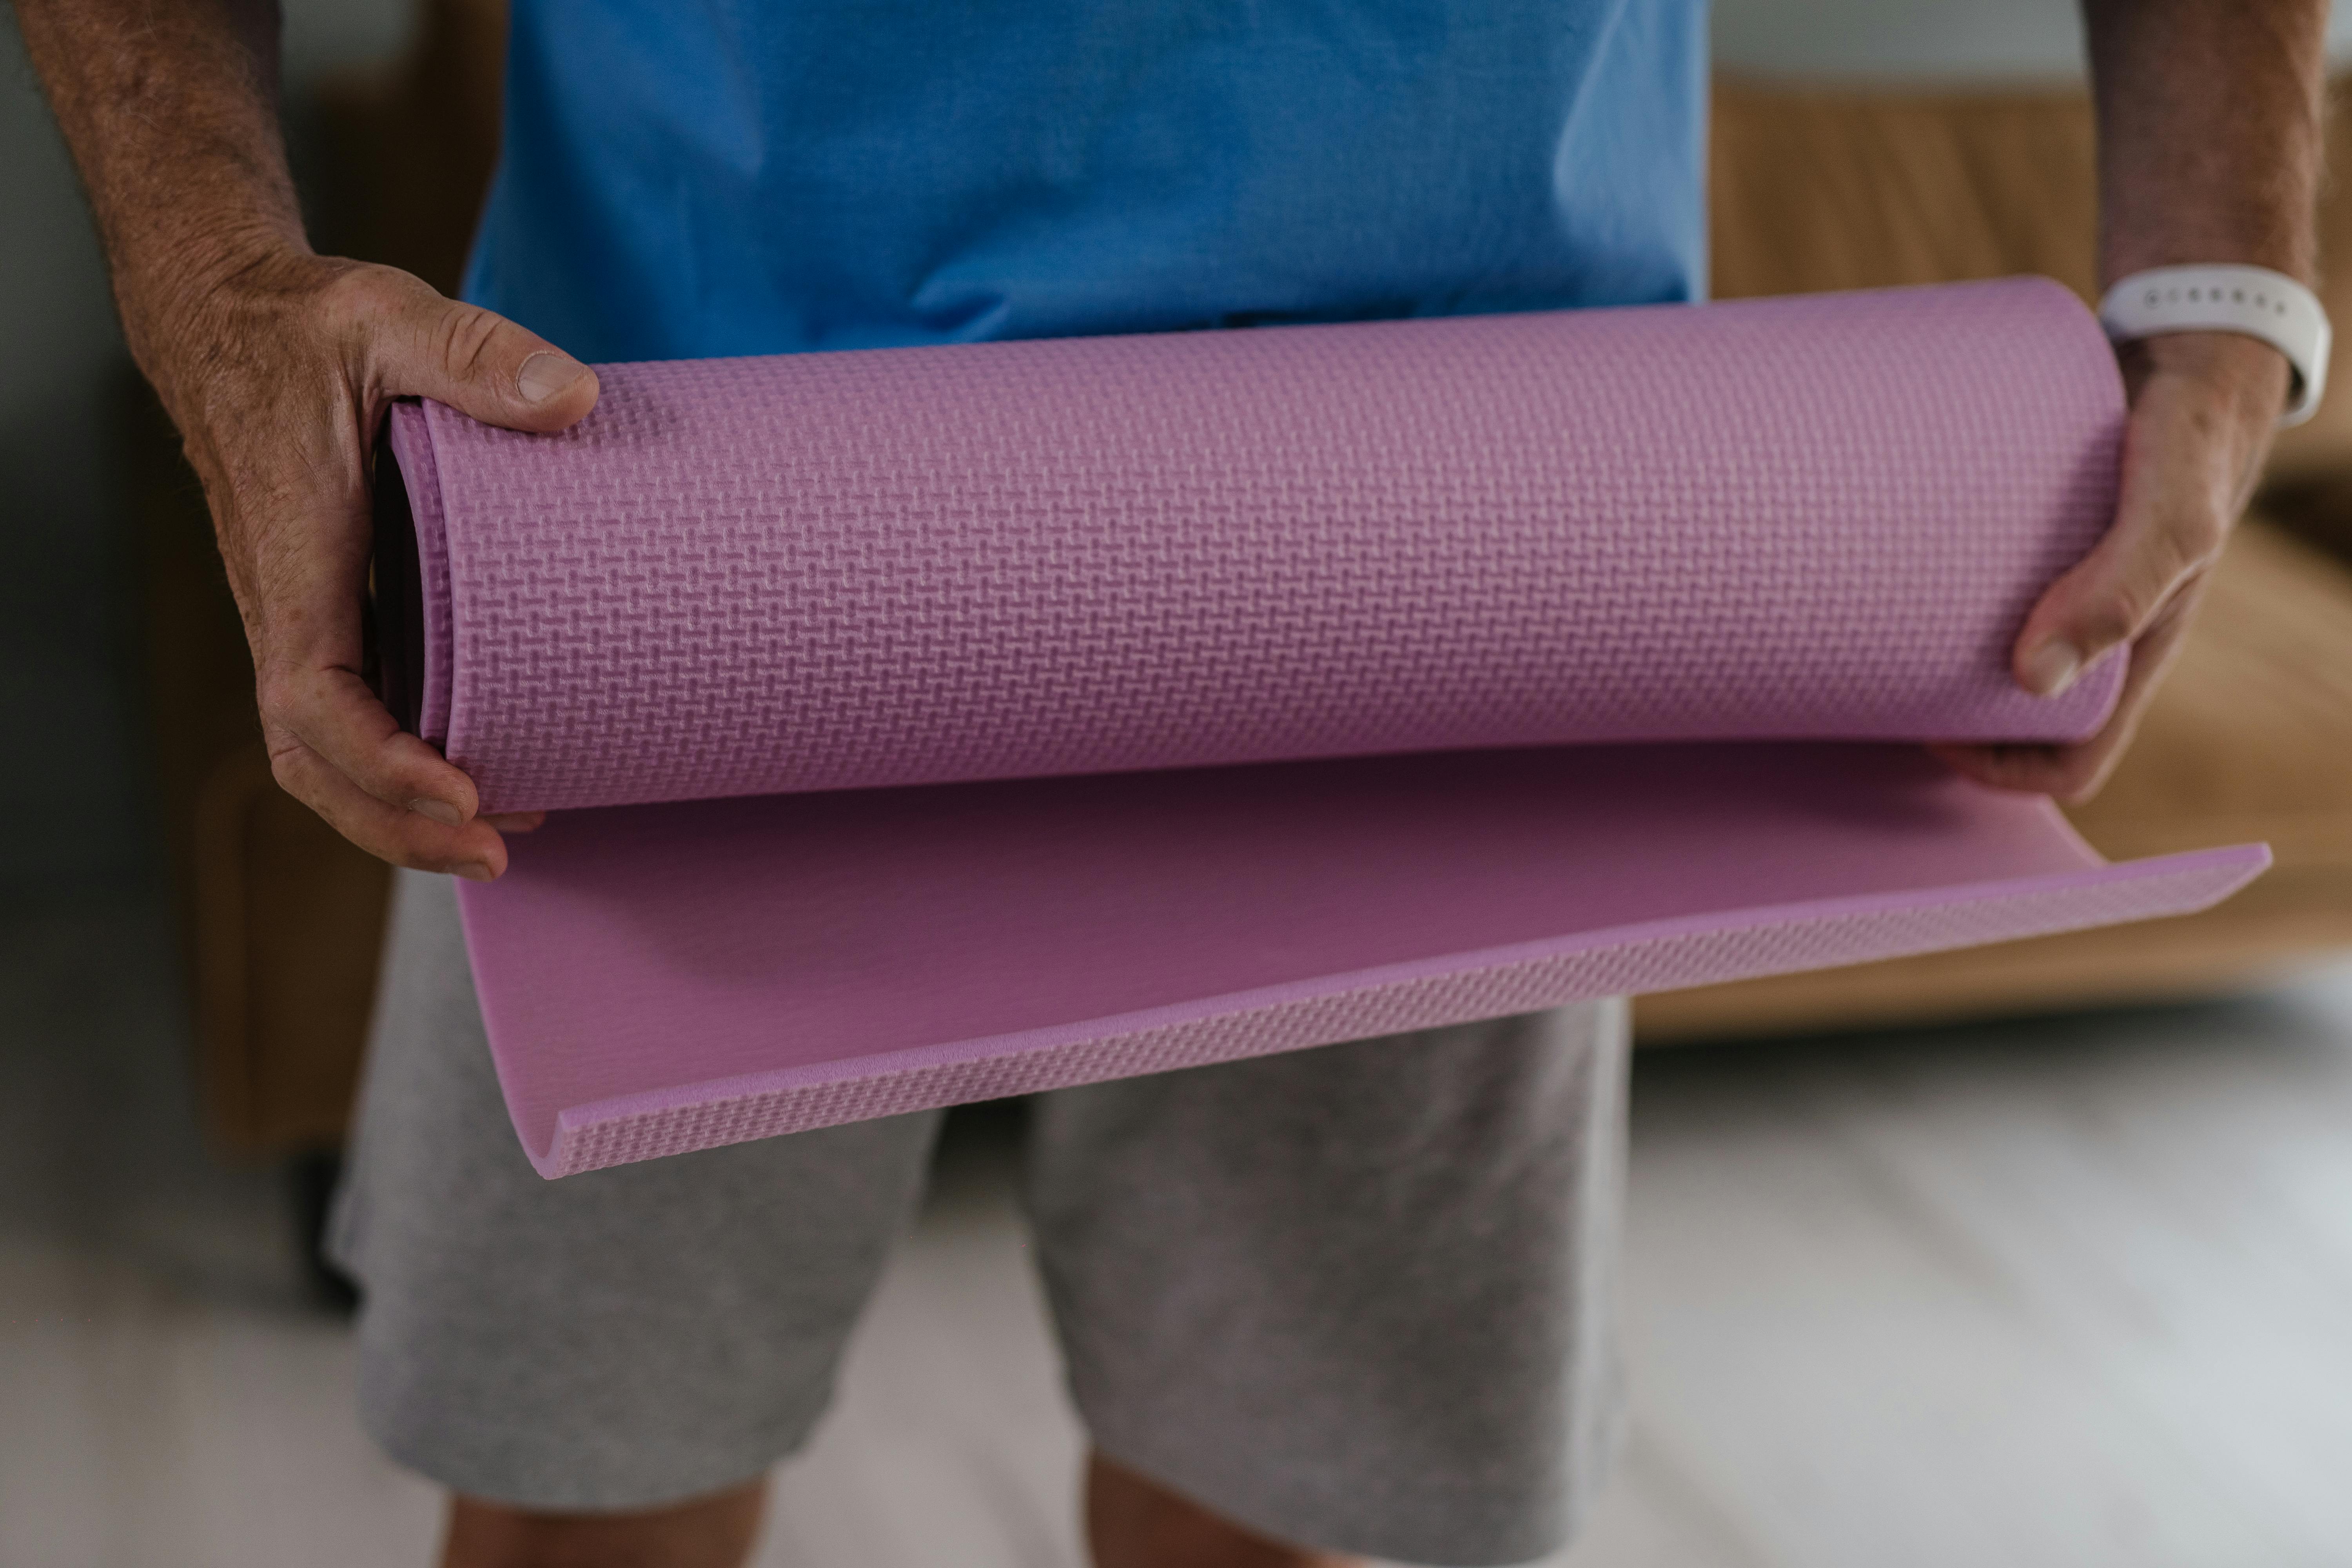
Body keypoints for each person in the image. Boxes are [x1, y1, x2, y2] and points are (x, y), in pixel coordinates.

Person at [21, 0, 2325, 1563]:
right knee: (573, 1501)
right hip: (668, 531)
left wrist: (2227, 295)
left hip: (1481, 547)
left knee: (1272, 1504)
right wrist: (217, 279)